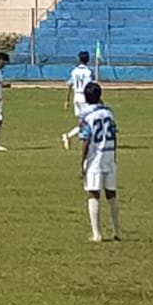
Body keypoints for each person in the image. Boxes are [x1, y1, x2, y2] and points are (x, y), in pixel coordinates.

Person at [79, 83, 120, 242]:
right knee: (111, 193)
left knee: (93, 192)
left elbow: (86, 139)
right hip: (109, 154)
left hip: (95, 158)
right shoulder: (109, 112)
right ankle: (117, 231)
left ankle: (97, 234)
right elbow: (115, 134)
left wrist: (82, 161)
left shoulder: (86, 115)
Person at [62, 51, 95, 149]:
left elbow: (69, 84)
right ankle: (79, 137)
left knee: (83, 122)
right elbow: (90, 86)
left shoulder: (74, 71)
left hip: (76, 97)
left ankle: (68, 136)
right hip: (85, 97)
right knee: (89, 120)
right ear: (88, 60)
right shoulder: (89, 72)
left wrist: (67, 99)